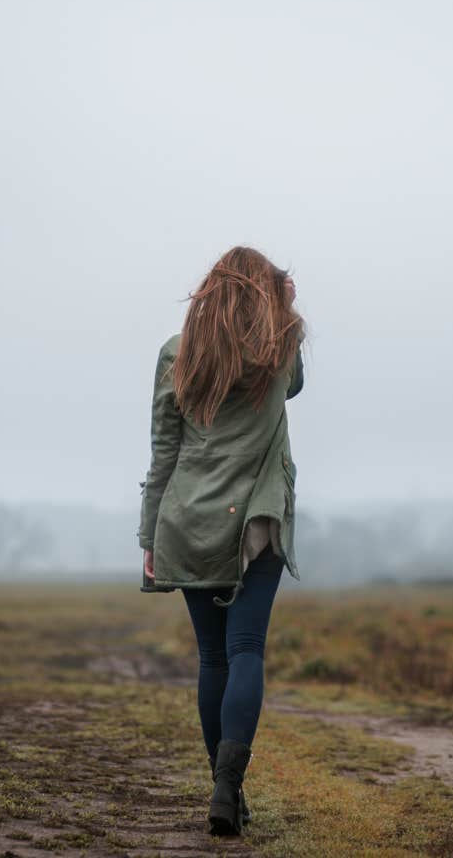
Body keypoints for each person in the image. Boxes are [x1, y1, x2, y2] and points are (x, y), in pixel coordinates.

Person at [137, 245, 305, 837]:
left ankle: (223, 789)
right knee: (245, 652)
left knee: (212, 659)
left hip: (187, 523)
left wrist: (148, 532)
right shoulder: (280, 352)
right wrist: (282, 302)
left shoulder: (175, 354)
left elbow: (164, 452)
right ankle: (228, 787)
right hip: (255, 524)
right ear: (264, 293)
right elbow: (296, 387)